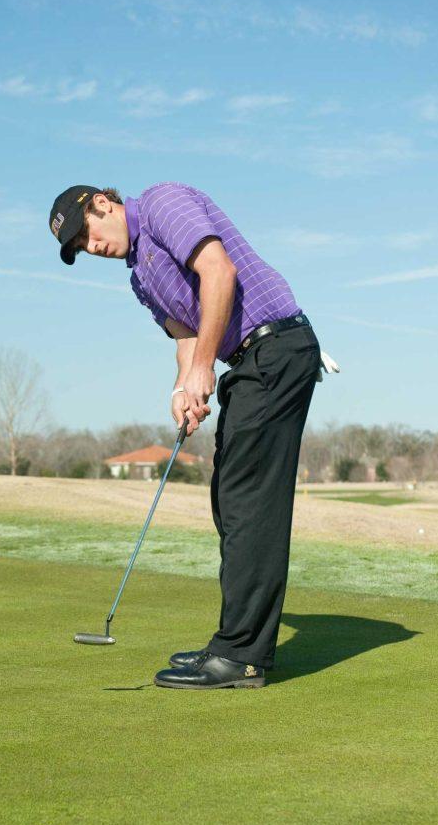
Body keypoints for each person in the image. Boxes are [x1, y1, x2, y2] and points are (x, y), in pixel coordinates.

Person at [48, 183, 338, 690]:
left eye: (86, 235)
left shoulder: (162, 203)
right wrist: (185, 388)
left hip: (276, 347)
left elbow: (219, 273)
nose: (89, 248)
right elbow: (186, 336)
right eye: (79, 249)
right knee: (230, 501)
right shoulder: (139, 278)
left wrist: (206, 366)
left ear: (101, 204)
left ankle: (241, 656)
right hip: (250, 362)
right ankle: (234, 642)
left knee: (249, 503)